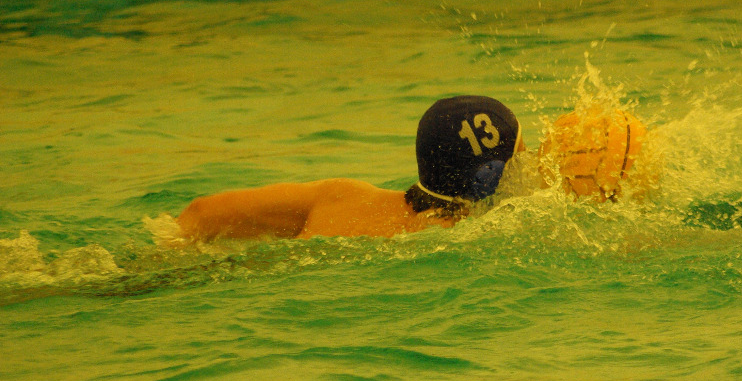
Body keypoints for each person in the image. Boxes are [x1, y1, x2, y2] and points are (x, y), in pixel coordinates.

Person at [175, 96, 522, 241]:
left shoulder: (342, 197)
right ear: (488, 178)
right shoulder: (464, 238)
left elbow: (199, 213)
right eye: (521, 158)